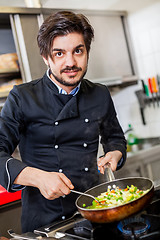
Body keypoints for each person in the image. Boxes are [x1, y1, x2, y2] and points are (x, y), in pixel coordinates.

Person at [0, 11, 126, 233]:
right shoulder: (22, 97)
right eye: (59, 53)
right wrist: (37, 177)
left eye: (78, 51)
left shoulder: (100, 94)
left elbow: (115, 139)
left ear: (87, 52)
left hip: (95, 211)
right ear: (46, 57)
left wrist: (114, 155)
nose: (71, 62)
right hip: (45, 224)